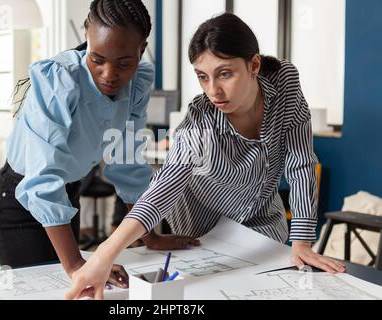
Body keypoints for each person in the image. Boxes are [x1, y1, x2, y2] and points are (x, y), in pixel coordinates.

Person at [66, 13, 346, 300]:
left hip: (262, 219)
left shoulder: (284, 82)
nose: (214, 90)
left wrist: (302, 242)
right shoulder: (199, 121)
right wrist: (104, 255)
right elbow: (161, 192)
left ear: (254, 65)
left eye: (225, 73)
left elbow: (300, 163)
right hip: (202, 227)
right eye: (202, 77)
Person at [0, 0, 157, 289]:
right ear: (88, 41)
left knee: (73, 289)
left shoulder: (137, 85)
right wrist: (78, 264)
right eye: (97, 59)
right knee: (43, 292)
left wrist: (149, 235)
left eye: (124, 63)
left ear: (141, 50)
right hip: (19, 201)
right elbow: (42, 180)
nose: (109, 74)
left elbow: (128, 163)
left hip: (67, 198)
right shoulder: (60, 81)